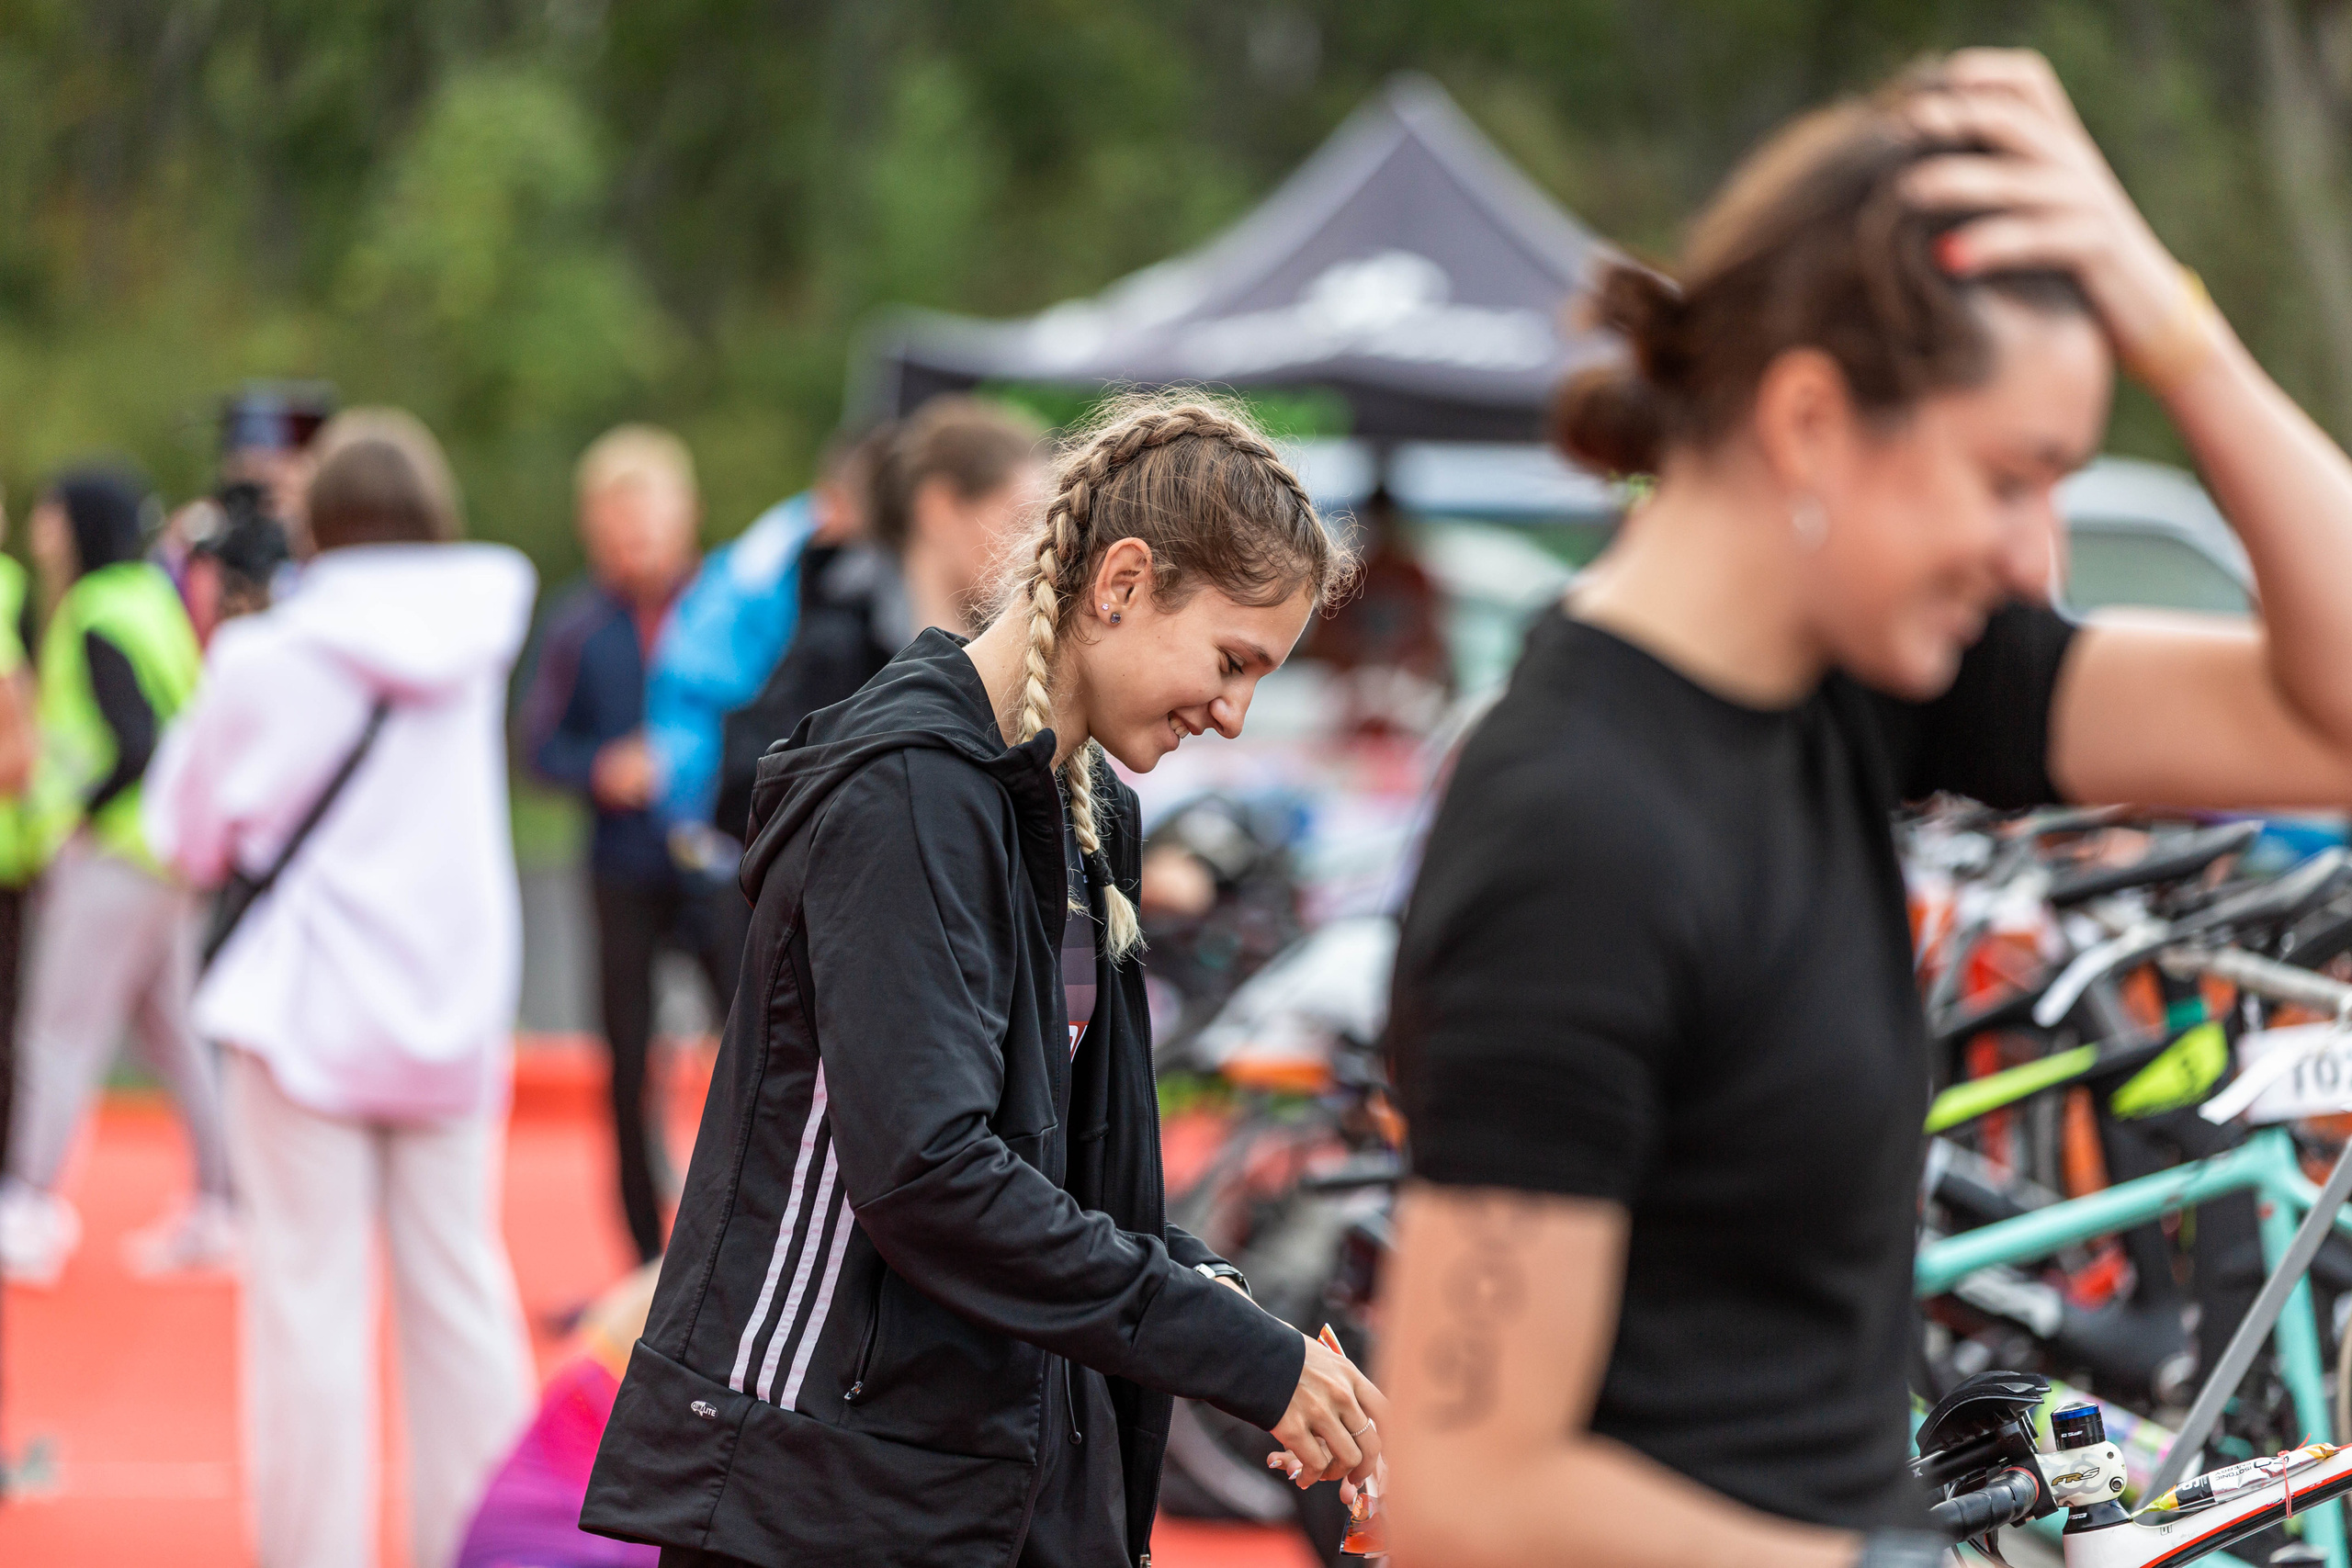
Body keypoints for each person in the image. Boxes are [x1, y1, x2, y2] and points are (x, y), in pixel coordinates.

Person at [1378, 51, 2352, 1568]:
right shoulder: (1574, 830)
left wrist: (2174, 325)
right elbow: (1471, 1496)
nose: (2034, 557)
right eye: (2011, 476)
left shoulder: (1861, 685)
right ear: (1814, 420)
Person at [582, 398, 1380, 1568]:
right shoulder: (905, 792)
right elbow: (934, 1178)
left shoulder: (1088, 808)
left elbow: (1068, 1179)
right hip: (825, 1491)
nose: (1233, 713)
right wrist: (1236, 1353)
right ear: (1121, 583)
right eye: (1231, 661)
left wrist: (1222, 1299)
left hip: (977, 1471)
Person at [144, 410, 537, 1568]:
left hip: (301, 1012)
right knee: (460, 1298)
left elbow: (182, 836)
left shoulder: (266, 656)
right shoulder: (480, 632)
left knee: (307, 1311)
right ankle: (484, 1547)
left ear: (318, 519)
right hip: (451, 1011)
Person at [0, 464, 229, 1287]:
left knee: (56, 1033)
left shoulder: (95, 609)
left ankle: (28, 1205)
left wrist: (82, 819)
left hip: (116, 854)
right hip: (167, 853)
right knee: (176, 1034)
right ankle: (224, 1201)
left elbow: (133, 742)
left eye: (50, 512)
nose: (40, 527)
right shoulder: (151, 601)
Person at [522, 425, 728, 1266]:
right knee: (627, 1061)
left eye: (647, 515)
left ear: (687, 514)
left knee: (760, 1046)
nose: (633, 536)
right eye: (616, 520)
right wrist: (602, 768)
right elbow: (538, 746)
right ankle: (645, 1259)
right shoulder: (578, 626)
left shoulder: (728, 609)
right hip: (623, 870)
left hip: (723, 864)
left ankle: (749, 1239)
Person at [708, 399, 1046, 833]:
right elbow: (750, 798)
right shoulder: (841, 647)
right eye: (1020, 518)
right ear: (939, 508)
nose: (1036, 545)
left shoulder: (1014, 654)